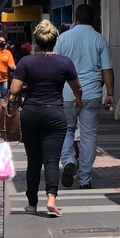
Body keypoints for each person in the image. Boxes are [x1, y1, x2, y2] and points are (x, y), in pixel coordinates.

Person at [9, 19, 83, 216]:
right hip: (55, 113)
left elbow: (14, 90)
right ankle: (51, 198)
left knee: (34, 161)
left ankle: (32, 204)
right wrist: (77, 100)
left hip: (31, 112)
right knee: (52, 159)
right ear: (55, 40)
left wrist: (25, 88)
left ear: (36, 40)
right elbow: (77, 88)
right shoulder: (64, 62)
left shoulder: (26, 62)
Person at [56, 3, 113, 188]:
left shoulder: (63, 39)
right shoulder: (99, 39)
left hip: (66, 94)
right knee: (88, 136)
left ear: (76, 18)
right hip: (92, 93)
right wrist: (110, 93)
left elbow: (56, 67)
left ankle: (69, 161)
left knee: (66, 130)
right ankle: (85, 179)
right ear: (94, 19)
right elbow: (107, 69)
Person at [0, 32, 15, 111]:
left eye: (4, 42)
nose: (2, 43)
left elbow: (11, 64)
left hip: (5, 78)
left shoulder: (7, 53)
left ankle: (3, 112)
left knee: (4, 96)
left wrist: (16, 68)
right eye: (0, 41)